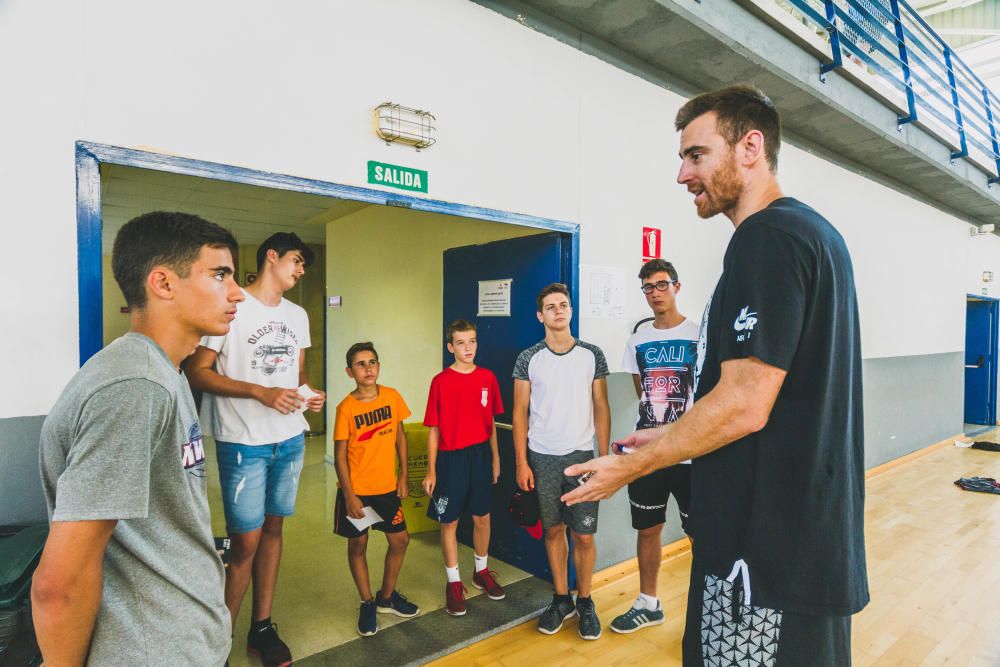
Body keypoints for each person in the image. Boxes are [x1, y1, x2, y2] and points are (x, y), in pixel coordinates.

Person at [563, 85, 868, 666]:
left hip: (760, 565)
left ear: (750, 147)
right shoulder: (814, 235)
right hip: (805, 547)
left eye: (696, 155)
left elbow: (745, 403)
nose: (682, 174)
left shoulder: (766, 238)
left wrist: (631, 466)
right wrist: (668, 436)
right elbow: (774, 397)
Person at [32, 211, 238, 666]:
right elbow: (57, 584)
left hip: (183, 639)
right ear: (163, 283)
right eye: (220, 274)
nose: (237, 291)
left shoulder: (164, 372)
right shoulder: (136, 385)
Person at [184, 232, 325, 667]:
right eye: (297, 261)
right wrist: (259, 392)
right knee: (245, 542)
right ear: (272, 256)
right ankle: (217, 644)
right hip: (243, 442)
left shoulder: (297, 315)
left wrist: (306, 395)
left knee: (274, 530)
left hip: (287, 437)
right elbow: (197, 371)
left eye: (304, 266)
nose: (301, 271)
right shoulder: (233, 304)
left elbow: (294, 375)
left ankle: (261, 627)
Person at [512, 283, 611, 640]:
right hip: (542, 458)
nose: (558, 310)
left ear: (570, 311)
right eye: (551, 306)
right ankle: (560, 598)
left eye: (563, 305)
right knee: (553, 531)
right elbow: (519, 413)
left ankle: (585, 600)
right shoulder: (528, 358)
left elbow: (601, 406)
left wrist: (605, 459)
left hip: (582, 458)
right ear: (540, 315)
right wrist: (521, 462)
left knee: (583, 536)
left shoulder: (591, 354)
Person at [610, 259, 699, 635]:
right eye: (648, 287)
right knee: (648, 528)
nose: (655, 293)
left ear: (677, 287)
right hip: (648, 454)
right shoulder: (637, 341)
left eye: (662, 285)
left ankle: (707, 610)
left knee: (703, 534)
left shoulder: (700, 334)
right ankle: (649, 604)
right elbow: (641, 392)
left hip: (693, 454)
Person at [333, 342, 419, 637]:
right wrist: (349, 495)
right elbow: (340, 455)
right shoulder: (345, 408)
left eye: (372, 362)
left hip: (387, 490)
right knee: (358, 545)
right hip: (358, 491)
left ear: (379, 366)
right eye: (360, 364)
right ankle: (367, 601)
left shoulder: (393, 397)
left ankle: (387, 597)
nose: (368, 368)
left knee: (400, 541)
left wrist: (404, 475)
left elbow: (401, 437)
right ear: (349, 371)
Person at [422, 319, 505, 617]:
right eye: (460, 343)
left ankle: (480, 571)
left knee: (482, 517)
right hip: (451, 458)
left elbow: (491, 423)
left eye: (472, 341)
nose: (467, 348)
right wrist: (431, 470)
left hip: (480, 455)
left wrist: (495, 458)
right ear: (450, 347)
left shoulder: (487, 378)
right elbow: (433, 429)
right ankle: (454, 583)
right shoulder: (440, 382)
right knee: (450, 523)